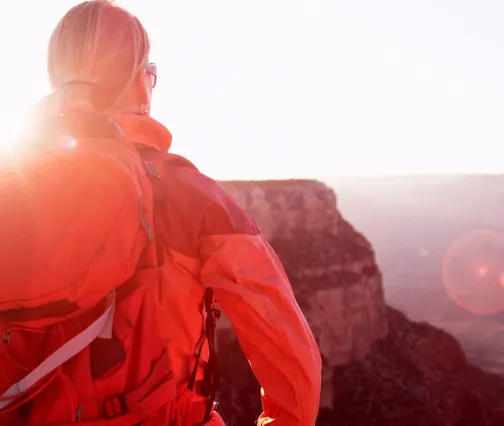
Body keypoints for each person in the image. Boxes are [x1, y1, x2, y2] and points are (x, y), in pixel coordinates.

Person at [0, 1, 321, 425]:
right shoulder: (191, 196)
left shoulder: (14, 186)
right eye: (150, 73)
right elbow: (290, 355)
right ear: (138, 82)